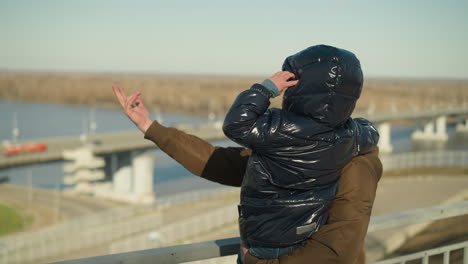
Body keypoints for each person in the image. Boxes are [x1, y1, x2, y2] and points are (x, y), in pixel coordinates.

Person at [111, 47, 383, 264]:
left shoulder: (357, 161)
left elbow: (339, 247)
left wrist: (257, 260)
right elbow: (218, 162)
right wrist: (150, 127)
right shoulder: (312, 145)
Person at [221, 45, 379, 261]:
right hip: (307, 232)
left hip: (265, 238)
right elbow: (370, 133)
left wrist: (267, 88)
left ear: (300, 87)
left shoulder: (279, 127)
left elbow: (236, 123)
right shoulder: (348, 136)